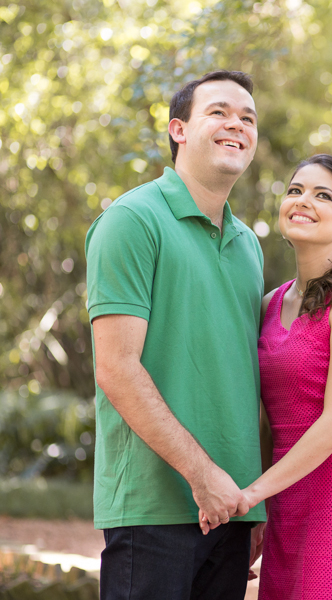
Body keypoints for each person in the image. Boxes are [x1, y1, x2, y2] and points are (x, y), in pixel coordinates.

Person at [85, 70, 266, 600]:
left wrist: (251, 501)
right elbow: (117, 367)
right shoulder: (132, 220)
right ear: (179, 129)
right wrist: (202, 474)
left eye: (248, 118)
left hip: (230, 510)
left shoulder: (248, 245)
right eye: (219, 112)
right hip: (152, 507)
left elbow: (240, 377)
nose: (237, 124)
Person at [200, 154, 332, 598]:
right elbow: (260, 414)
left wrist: (250, 495)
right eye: (295, 190)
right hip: (287, 501)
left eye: (322, 195)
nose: (302, 200)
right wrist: (261, 511)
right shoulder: (269, 303)